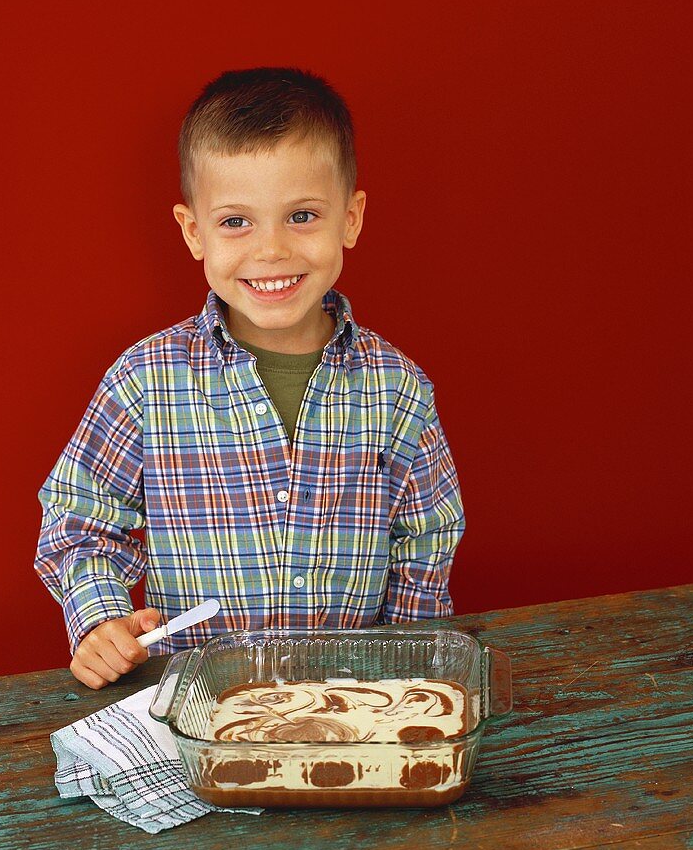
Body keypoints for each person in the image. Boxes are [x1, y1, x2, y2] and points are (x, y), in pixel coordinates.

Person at [35, 66, 465, 689]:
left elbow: (425, 543)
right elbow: (77, 521)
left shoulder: (398, 390)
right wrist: (102, 619)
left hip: (351, 703)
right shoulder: (145, 381)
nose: (270, 250)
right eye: (237, 221)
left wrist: (405, 678)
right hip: (196, 710)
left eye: (302, 216)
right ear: (193, 232)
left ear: (351, 217)